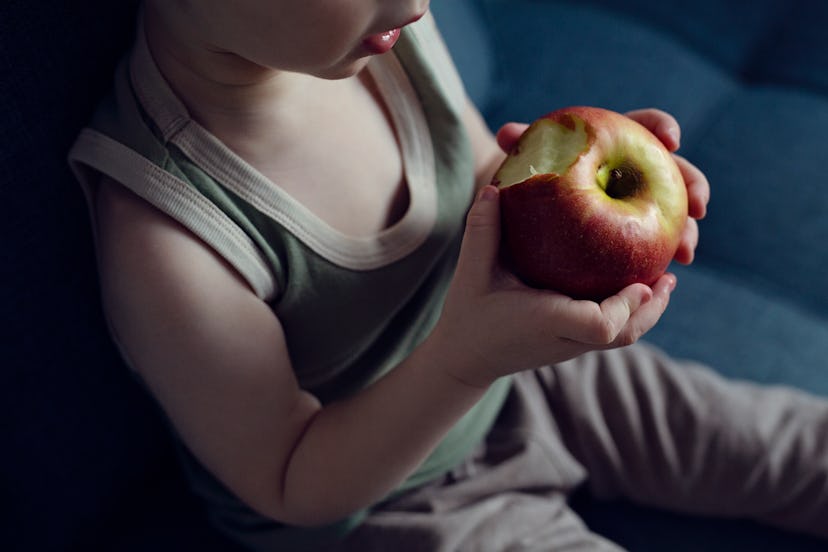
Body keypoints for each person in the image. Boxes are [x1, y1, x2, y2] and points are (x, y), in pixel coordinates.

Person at [67, 1, 828, 550]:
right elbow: (292, 483)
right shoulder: (168, 236)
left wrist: (590, 189)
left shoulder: (385, 38)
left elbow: (484, 186)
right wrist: (468, 360)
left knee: (780, 443)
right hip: (392, 505)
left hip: (515, 371)